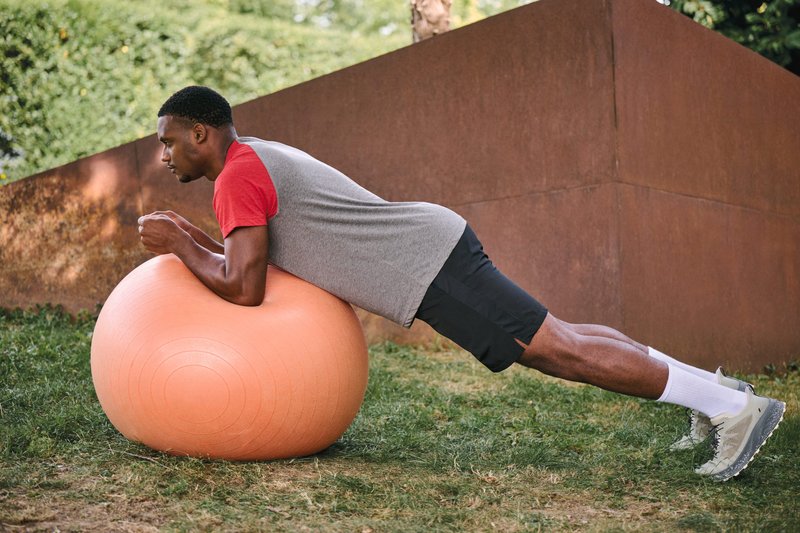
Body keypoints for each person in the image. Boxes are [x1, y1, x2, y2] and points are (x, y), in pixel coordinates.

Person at [138, 85, 784, 481]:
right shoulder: (254, 157)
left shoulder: (236, 177)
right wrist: (188, 236)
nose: (165, 156)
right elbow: (244, 262)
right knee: (564, 335)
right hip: (430, 249)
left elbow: (244, 287)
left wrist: (177, 243)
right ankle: (716, 392)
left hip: (425, 267)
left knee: (560, 350)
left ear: (201, 132)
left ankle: (735, 410)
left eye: (169, 142)